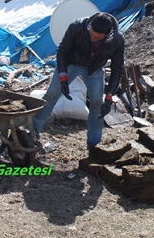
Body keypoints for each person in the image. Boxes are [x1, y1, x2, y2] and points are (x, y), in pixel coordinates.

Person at [32, 12, 125, 156]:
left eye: (97, 38)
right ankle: (32, 134)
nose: (92, 38)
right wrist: (63, 76)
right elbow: (62, 51)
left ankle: (94, 146)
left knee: (96, 104)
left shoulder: (117, 40)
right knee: (51, 95)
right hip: (71, 64)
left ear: (107, 35)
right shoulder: (77, 27)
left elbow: (117, 69)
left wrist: (109, 97)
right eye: (91, 34)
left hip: (94, 69)